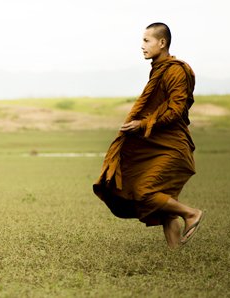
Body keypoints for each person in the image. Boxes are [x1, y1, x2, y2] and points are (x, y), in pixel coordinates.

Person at [93, 22, 204, 248]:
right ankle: (175, 258)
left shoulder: (175, 70)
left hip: (173, 148)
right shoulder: (158, 69)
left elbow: (176, 111)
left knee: (144, 193)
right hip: (158, 146)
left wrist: (142, 125)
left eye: (146, 40)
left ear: (161, 43)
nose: (142, 46)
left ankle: (192, 213)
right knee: (164, 207)